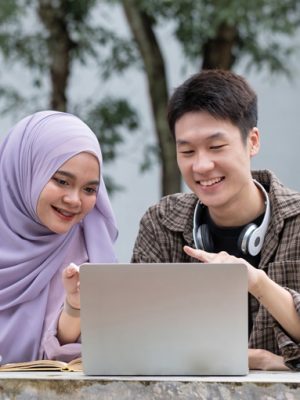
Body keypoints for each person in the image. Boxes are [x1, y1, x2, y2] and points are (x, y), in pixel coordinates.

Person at [131, 70, 300, 371]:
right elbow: (138, 340)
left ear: (253, 141)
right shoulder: (161, 223)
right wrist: (260, 360)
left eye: (216, 147)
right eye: (187, 151)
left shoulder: (296, 221)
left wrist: (257, 283)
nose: (202, 165)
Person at [0, 110, 118, 364]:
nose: (74, 200)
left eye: (89, 189)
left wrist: (74, 308)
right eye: (62, 181)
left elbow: (68, 364)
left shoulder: (88, 253)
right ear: (25, 171)